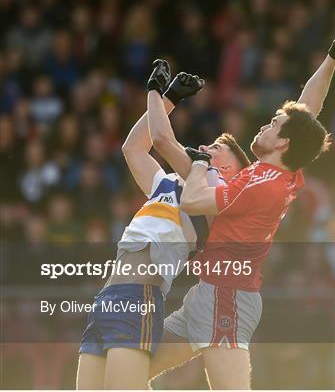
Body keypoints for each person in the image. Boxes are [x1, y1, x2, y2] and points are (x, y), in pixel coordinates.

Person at [148, 30, 335, 389]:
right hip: (210, 292)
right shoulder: (282, 173)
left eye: (273, 124)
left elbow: (192, 201)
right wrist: (332, 58)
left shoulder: (260, 185)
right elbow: (310, 108)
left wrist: (199, 164)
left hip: (226, 294)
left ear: (283, 142)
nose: (266, 124)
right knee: (135, 366)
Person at [76, 61, 249, 389]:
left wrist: (158, 94)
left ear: (230, 171)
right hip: (107, 295)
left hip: (139, 295)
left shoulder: (214, 195)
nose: (205, 148)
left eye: (217, 149)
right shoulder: (170, 182)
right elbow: (133, 147)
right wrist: (167, 100)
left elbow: (162, 138)